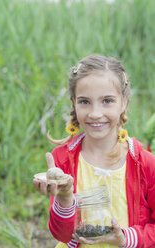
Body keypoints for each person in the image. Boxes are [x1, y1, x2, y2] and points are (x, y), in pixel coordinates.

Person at [33, 54, 155, 248]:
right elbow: (63, 235)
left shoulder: (146, 164)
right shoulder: (62, 160)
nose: (95, 113)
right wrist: (64, 199)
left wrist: (125, 238)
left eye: (107, 100)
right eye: (84, 102)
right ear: (73, 103)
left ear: (124, 102)